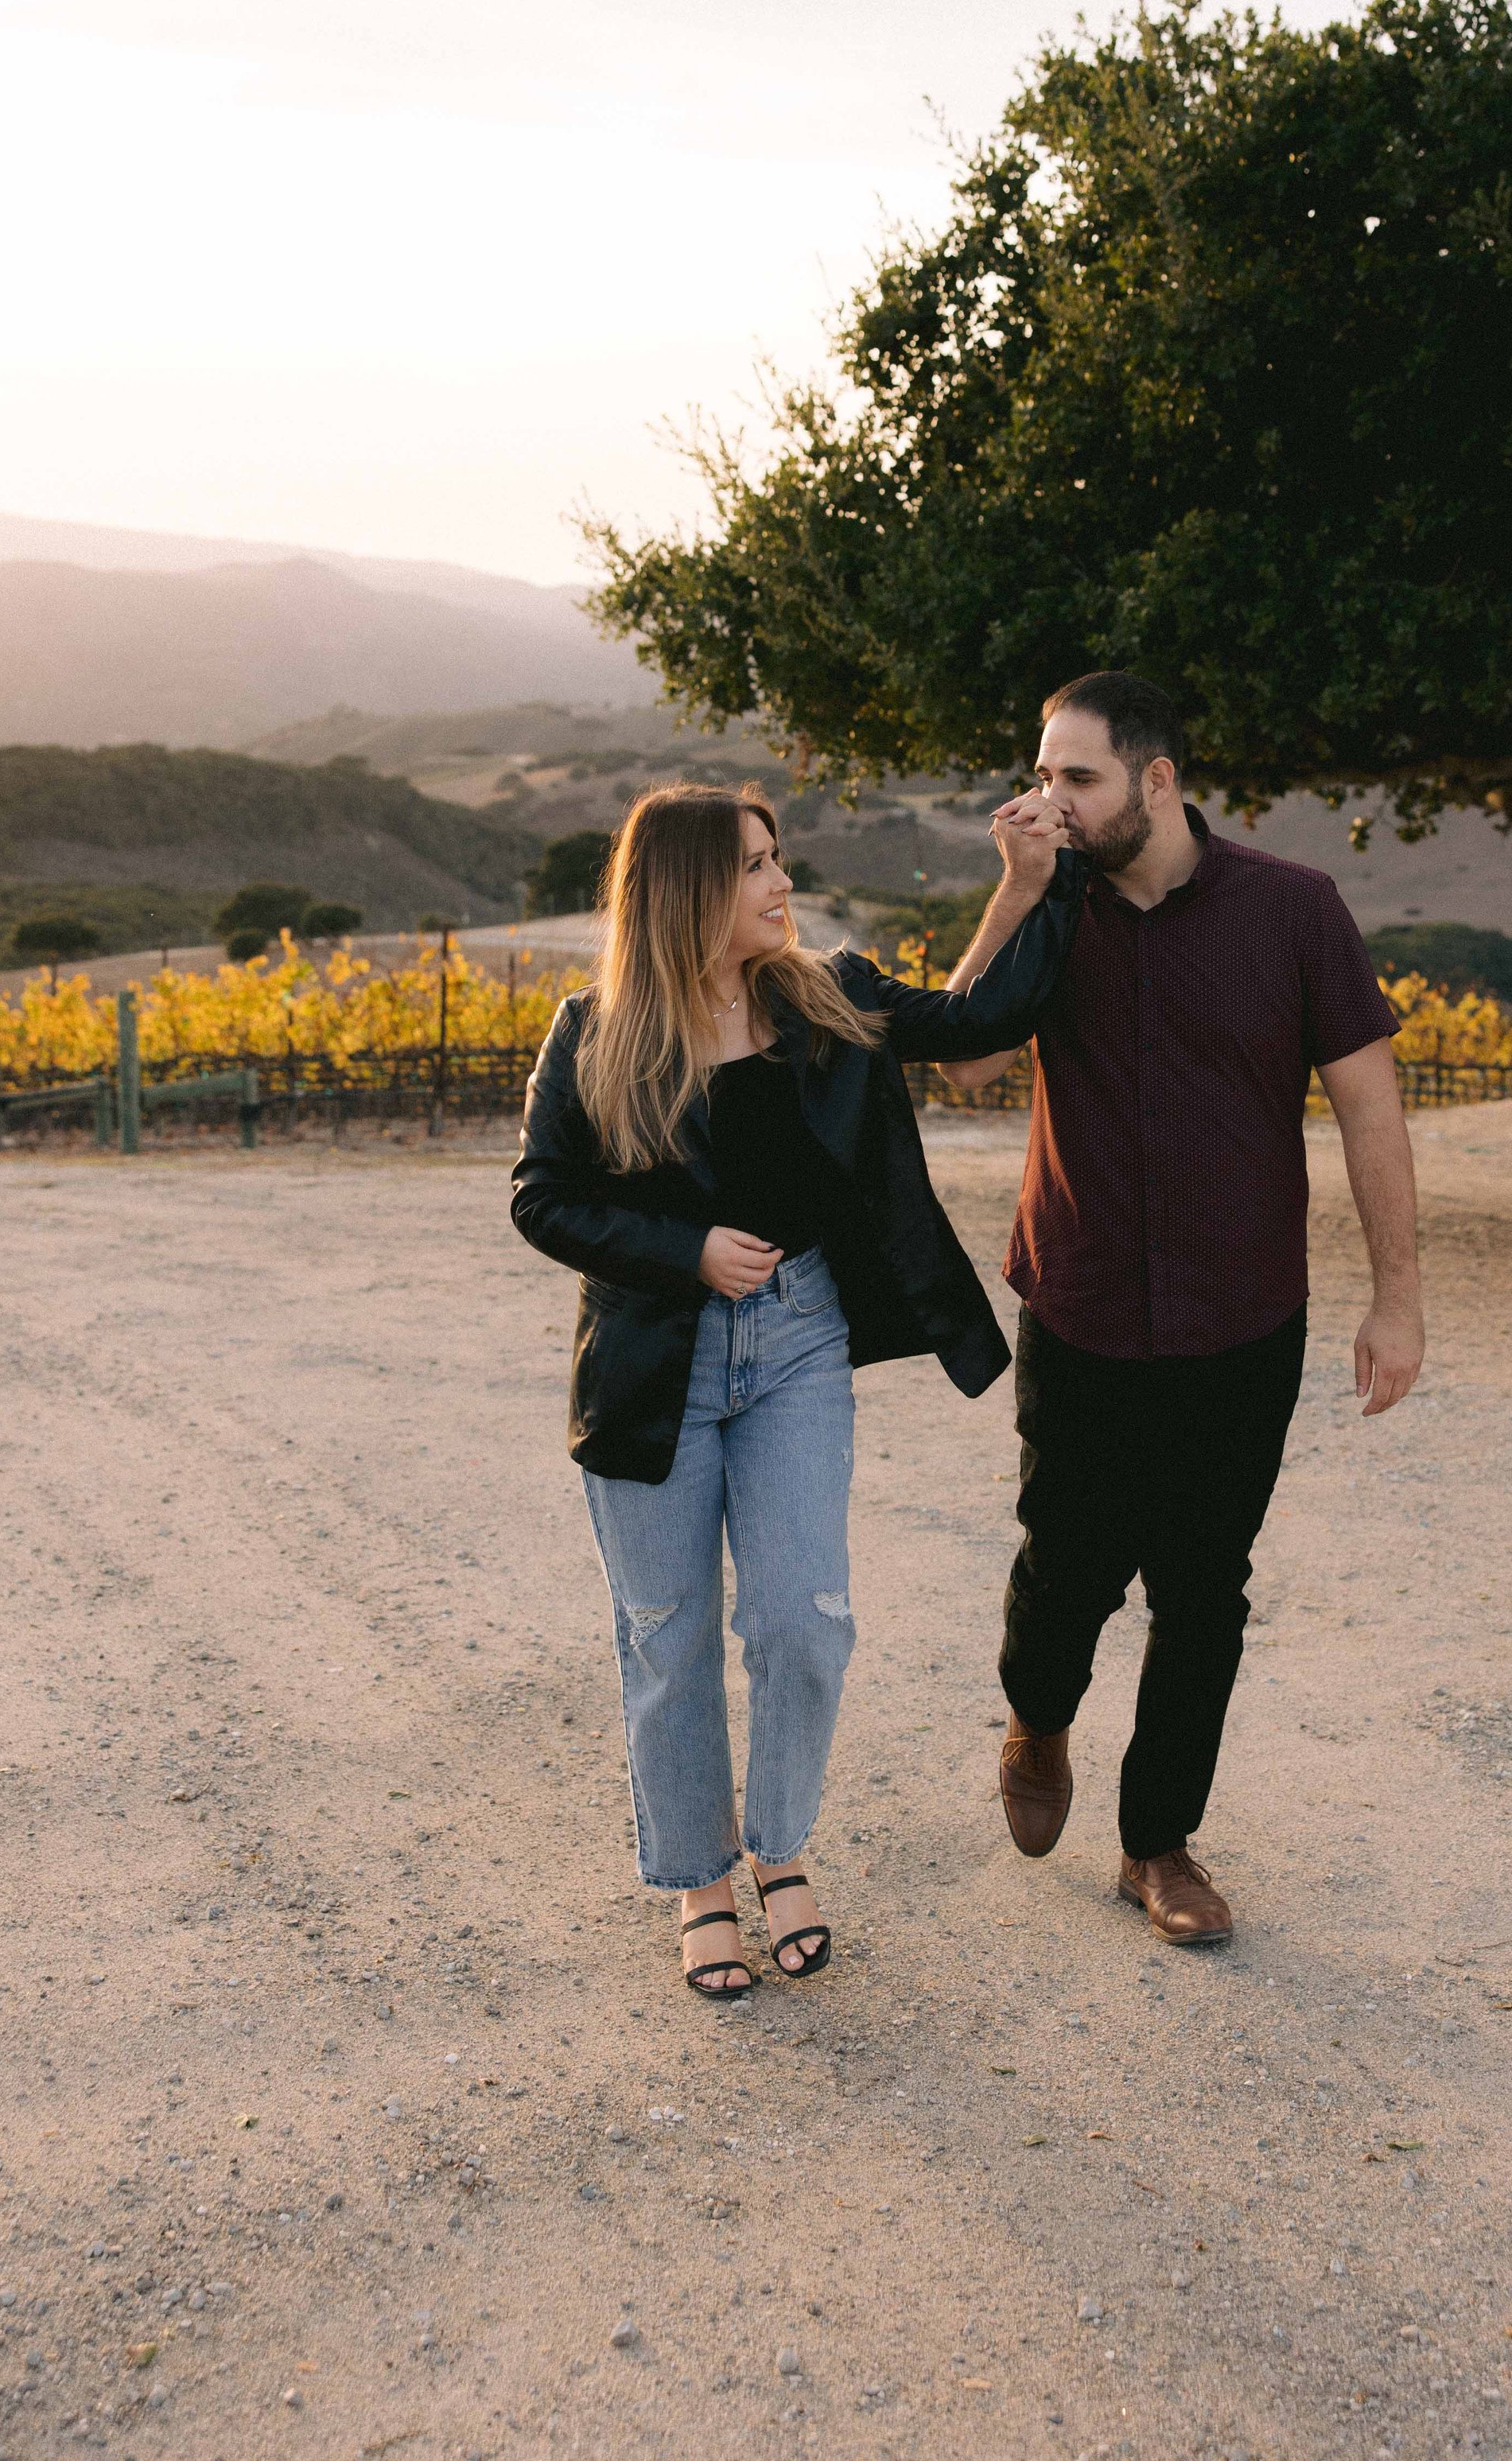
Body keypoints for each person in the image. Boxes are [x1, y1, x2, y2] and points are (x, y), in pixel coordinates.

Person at [511, 779, 1081, 1998]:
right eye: (757, 865)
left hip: (801, 1340)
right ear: (686, 891)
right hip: (655, 1360)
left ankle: (779, 1846)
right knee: (667, 1638)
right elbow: (541, 1196)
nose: (782, 884)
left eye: (780, 859)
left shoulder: (832, 995)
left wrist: (1029, 883)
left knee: (801, 1621)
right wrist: (686, 1252)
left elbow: (985, 1015)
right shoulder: (595, 1028)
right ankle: (704, 1883)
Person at [939, 671, 1424, 1947]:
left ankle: (1157, 1841)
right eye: (1041, 775)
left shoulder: (1296, 912)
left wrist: (1398, 1301)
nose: (1048, 798)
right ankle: (1038, 1716)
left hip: (1240, 1321)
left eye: (1075, 778)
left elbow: (1371, 1107)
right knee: (1067, 1577)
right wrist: (1021, 889)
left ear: (1157, 780)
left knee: (1205, 1592)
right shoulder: (1052, 907)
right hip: (1085, 1306)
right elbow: (966, 1053)